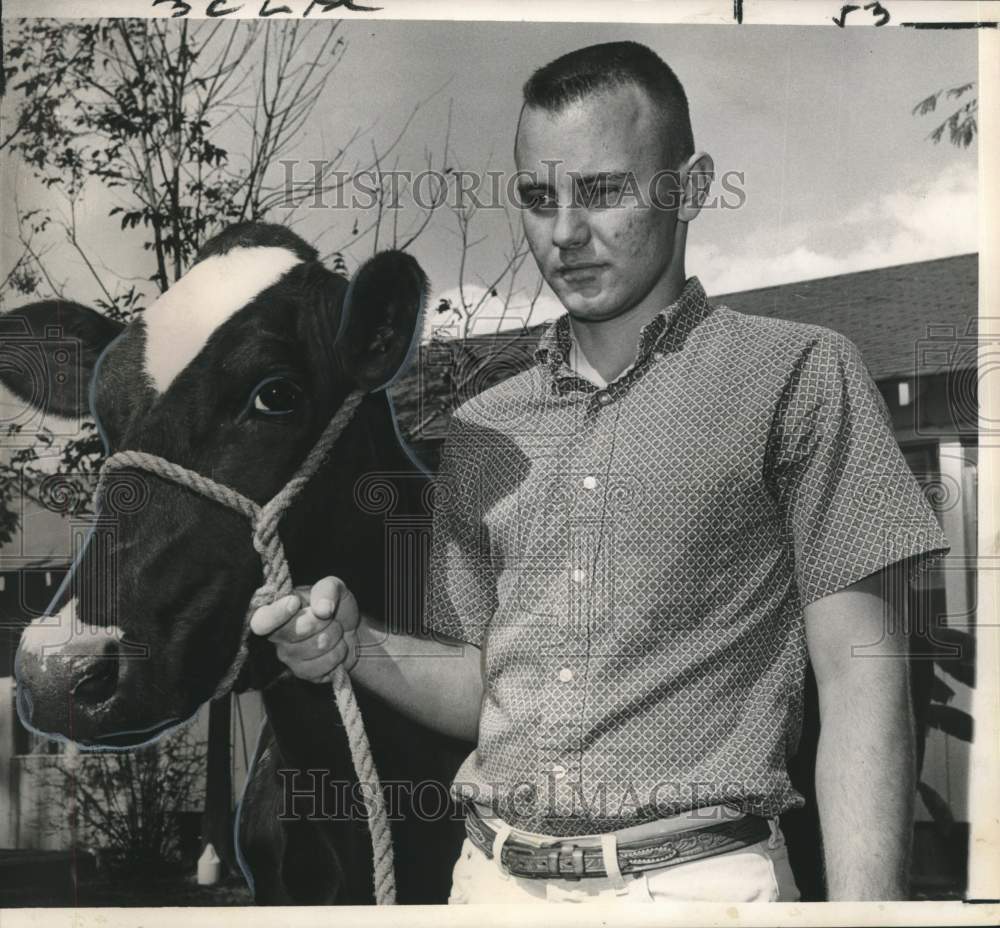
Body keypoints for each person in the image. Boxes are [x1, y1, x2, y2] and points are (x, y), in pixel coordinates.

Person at [250, 41, 948, 903]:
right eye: (540, 199)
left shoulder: (798, 375)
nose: (566, 233)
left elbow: (862, 681)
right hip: (488, 885)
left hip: (699, 889)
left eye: (604, 192)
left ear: (689, 187)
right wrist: (354, 645)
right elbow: (486, 686)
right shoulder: (482, 427)